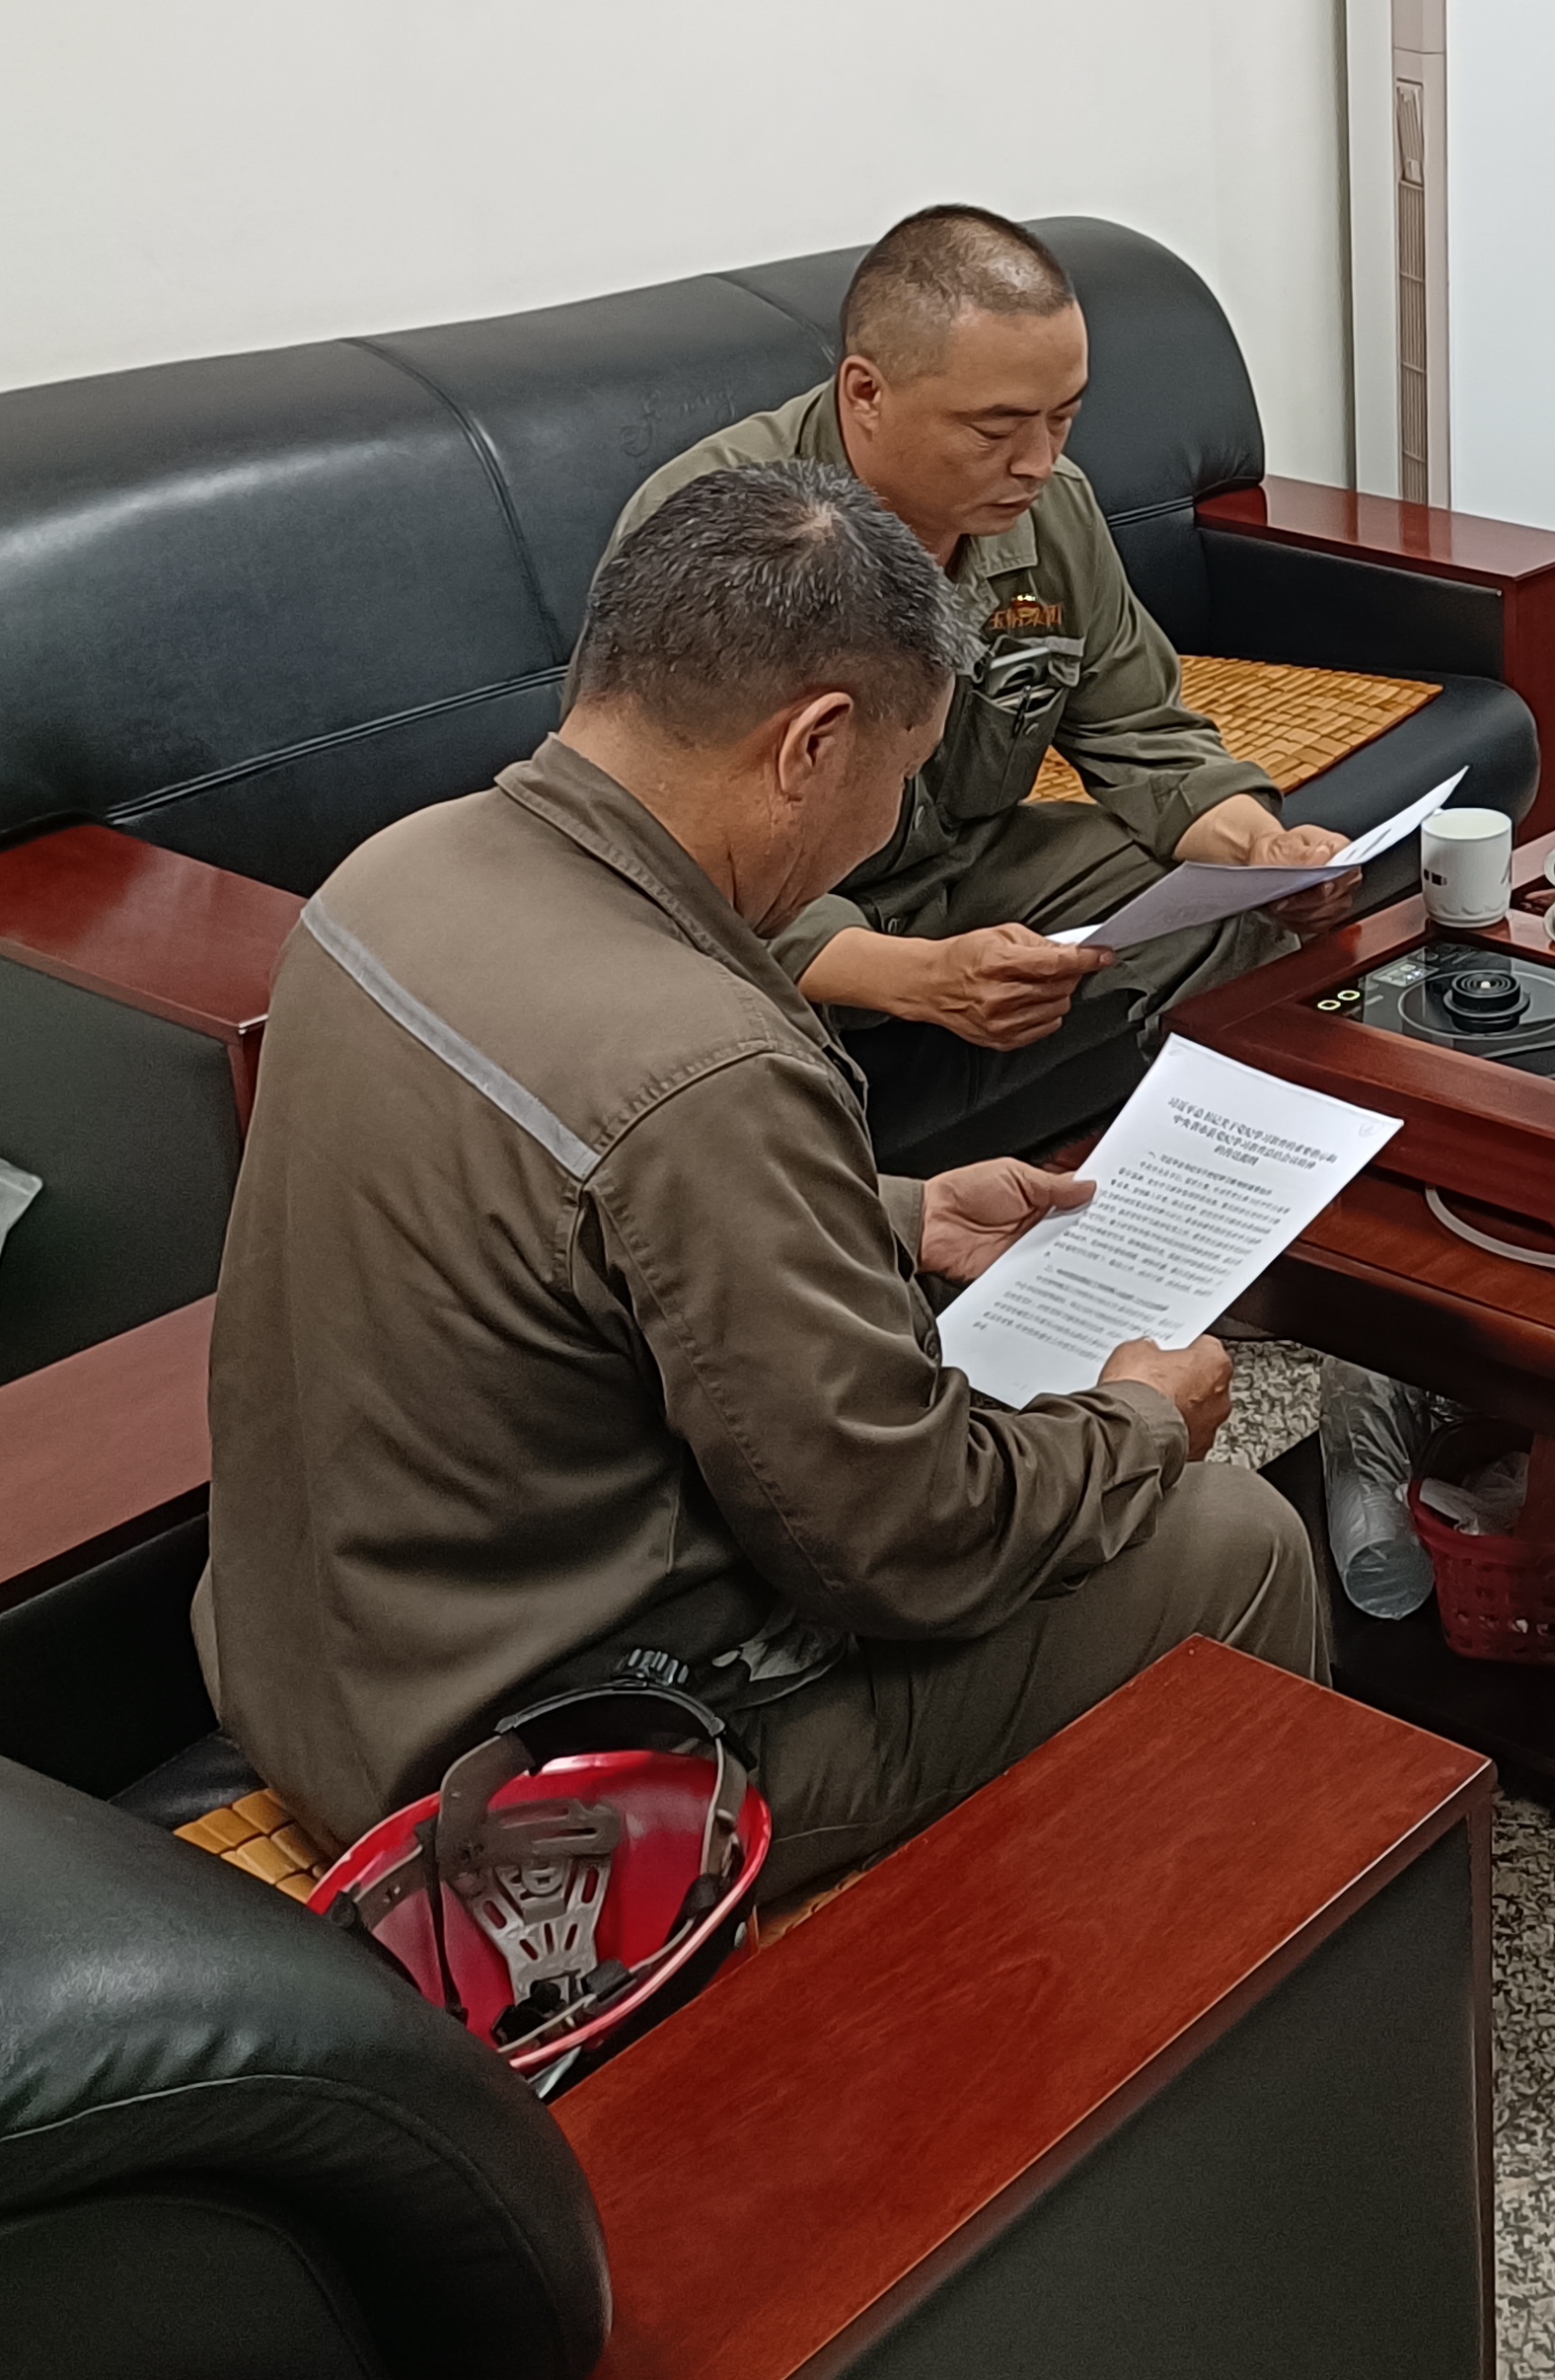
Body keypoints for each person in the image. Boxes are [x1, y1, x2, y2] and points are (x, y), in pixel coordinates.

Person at [198, 461, 1323, 1892]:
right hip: (543, 1785)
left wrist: (900, 1212)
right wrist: (1142, 1425)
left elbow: (556, 1203)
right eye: (901, 782)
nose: (886, 825)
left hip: (313, 1663)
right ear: (813, 745)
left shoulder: (387, 877)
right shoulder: (710, 1064)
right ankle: (1221, 1971)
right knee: (1226, 1535)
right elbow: (907, 1545)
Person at [611, 202, 1355, 1159]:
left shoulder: (1051, 509)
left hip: (963, 869)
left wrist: (1263, 852)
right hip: (763, 914)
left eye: (1064, 416)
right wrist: (915, 978)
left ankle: (1210, 1189)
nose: (1040, 462)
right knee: (730, 1042)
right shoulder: (715, 532)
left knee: (1222, 908)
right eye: (995, 427)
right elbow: (672, 854)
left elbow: (1139, 730)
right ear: (866, 392)